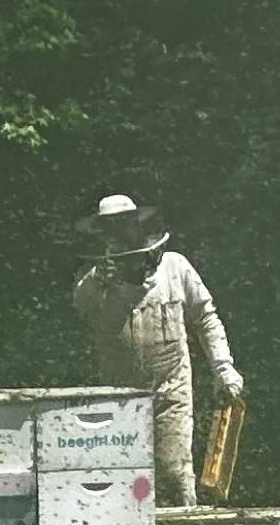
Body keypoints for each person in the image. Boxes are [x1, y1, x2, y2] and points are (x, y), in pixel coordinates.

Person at [71, 194, 244, 504]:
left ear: (139, 226)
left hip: (170, 388)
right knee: (124, 479)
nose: (120, 233)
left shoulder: (175, 267)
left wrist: (223, 368)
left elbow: (206, 317)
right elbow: (80, 304)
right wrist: (98, 280)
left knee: (174, 471)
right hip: (118, 396)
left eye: (124, 225)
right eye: (111, 228)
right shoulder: (97, 281)